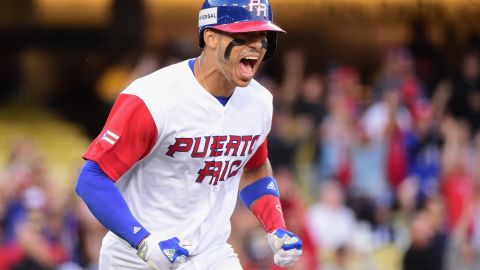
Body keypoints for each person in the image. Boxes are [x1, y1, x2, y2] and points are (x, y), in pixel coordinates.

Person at [75, 0, 303, 269]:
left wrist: (276, 227)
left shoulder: (260, 101)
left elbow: (253, 169)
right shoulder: (152, 97)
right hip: (137, 257)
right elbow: (91, 179)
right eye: (245, 35)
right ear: (211, 37)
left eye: (263, 36)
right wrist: (144, 241)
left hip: (211, 253)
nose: (257, 45)